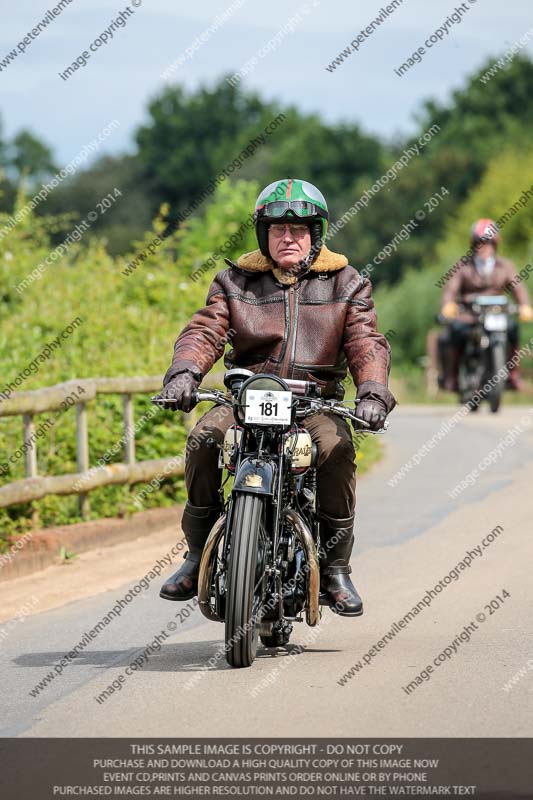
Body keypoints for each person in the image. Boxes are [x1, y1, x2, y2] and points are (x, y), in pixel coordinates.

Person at [157, 178, 396, 617]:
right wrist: (185, 373)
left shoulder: (347, 282)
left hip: (314, 403)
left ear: (316, 234)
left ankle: (337, 568)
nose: (289, 238)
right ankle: (195, 555)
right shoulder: (235, 281)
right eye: (278, 229)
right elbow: (205, 330)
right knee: (204, 438)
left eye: (300, 229)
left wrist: (373, 393)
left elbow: (367, 342)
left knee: (337, 449)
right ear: (263, 234)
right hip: (246, 399)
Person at [440, 219, 533, 391]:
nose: (484, 246)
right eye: (479, 242)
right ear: (473, 244)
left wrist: (525, 305)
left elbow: (518, 288)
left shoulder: (506, 266)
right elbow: (450, 289)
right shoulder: (462, 266)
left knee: (513, 329)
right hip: (469, 315)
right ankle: (452, 377)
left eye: (489, 242)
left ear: (495, 244)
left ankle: (514, 374)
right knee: (456, 331)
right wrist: (448, 304)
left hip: (496, 314)